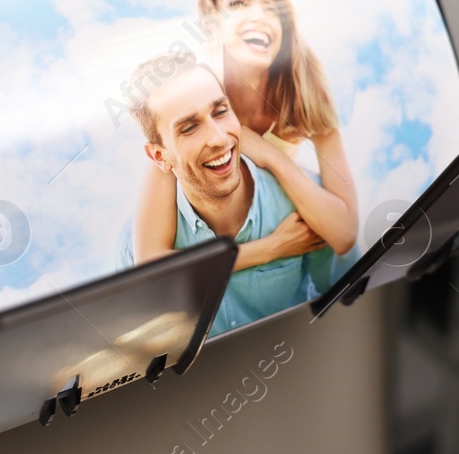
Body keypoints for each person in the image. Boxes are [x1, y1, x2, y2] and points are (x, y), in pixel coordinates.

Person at [131, 0, 359, 294]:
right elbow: (150, 262)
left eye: (272, 9)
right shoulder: (191, 102)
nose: (260, 16)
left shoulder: (308, 97)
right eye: (238, 4)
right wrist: (272, 248)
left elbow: (343, 234)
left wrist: (274, 159)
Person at [119, 52, 323, 334]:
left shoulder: (299, 200)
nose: (217, 137)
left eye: (220, 111)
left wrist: (275, 159)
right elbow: (146, 334)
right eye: (189, 128)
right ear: (158, 156)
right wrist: (273, 248)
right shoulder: (135, 244)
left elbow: (346, 290)